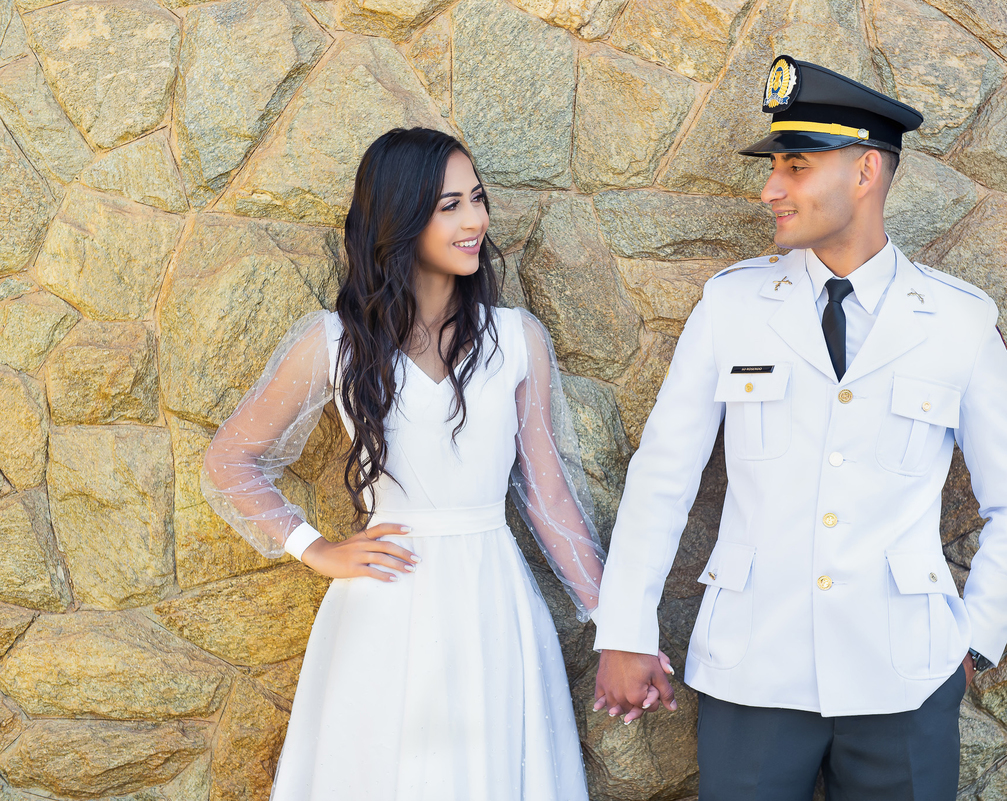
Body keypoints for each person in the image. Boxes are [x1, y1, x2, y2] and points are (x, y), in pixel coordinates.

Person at [591, 57, 1007, 800]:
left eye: (796, 166)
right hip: (754, 673)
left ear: (866, 170)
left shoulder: (958, 322)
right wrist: (624, 628)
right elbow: (661, 477)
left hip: (904, 680)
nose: (771, 188)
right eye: (775, 166)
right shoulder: (732, 306)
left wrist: (969, 645)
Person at [201, 127, 667, 800]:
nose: (476, 219)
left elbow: (549, 499)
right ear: (400, 216)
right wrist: (315, 547)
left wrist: (616, 625)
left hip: (492, 599)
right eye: (451, 205)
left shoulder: (516, 339)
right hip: (385, 601)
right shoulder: (333, 343)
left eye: (477, 198)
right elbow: (230, 459)